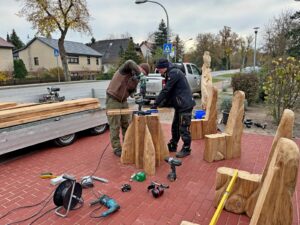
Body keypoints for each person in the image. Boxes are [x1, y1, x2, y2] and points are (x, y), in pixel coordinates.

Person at [151, 58, 195, 158]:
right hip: (179, 105)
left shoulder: (174, 73)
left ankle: (187, 148)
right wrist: (161, 104)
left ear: (164, 67)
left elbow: (166, 90)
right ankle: (173, 145)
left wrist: (156, 103)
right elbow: (170, 93)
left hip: (185, 104)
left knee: (184, 127)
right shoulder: (170, 73)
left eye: (159, 69)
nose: (158, 71)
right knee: (175, 126)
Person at [106, 60, 150, 157]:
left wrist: (135, 95)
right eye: (142, 72)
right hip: (113, 99)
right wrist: (140, 74)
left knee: (126, 124)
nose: (142, 74)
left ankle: (127, 144)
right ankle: (117, 148)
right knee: (115, 125)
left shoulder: (136, 79)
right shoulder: (126, 70)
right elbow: (129, 62)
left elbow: (131, 91)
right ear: (138, 67)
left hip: (123, 101)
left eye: (144, 74)